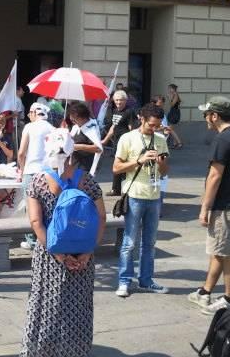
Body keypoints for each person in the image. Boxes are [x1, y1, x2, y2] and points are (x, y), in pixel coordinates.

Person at [20, 129, 106, 357]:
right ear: (72, 152)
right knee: (78, 307)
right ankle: (75, 352)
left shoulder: (38, 181)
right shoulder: (87, 180)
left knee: (46, 306)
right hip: (83, 253)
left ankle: (41, 353)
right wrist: (88, 252)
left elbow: (36, 222)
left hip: (49, 256)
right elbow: (101, 217)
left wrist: (57, 253)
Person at [189, 96, 230, 315]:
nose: (205, 118)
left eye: (206, 114)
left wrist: (204, 208)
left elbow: (215, 176)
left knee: (227, 253)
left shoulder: (223, 139)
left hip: (225, 205)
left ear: (214, 116)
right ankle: (205, 292)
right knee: (219, 249)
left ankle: (229, 300)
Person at [114, 103, 170, 297]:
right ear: (141, 119)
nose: (154, 128)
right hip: (134, 195)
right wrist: (139, 160)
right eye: (151, 125)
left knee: (149, 243)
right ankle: (124, 281)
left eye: (157, 125)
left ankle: (146, 280)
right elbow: (116, 168)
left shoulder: (160, 139)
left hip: (154, 196)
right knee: (129, 242)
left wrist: (160, 163)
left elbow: (164, 172)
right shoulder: (127, 138)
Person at [17, 102, 55, 249]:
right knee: (47, 205)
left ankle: (32, 239)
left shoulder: (29, 127)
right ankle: (46, 237)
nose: (29, 116)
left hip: (31, 170)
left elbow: (21, 153)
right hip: (48, 172)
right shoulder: (52, 128)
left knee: (30, 206)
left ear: (33, 113)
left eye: (29, 114)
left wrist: (21, 170)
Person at [102, 90, 137, 196]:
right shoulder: (115, 111)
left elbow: (132, 129)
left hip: (126, 144)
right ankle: (116, 189)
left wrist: (133, 144)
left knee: (123, 167)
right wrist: (105, 140)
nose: (118, 102)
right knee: (117, 166)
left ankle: (124, 189)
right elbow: (113, 127)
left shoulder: (129, 112)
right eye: (116, 100)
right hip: (117, 142)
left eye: (121, 100)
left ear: (125, 100)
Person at [67, 101, 102, 172]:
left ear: (83, 118)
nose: (73, 122)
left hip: (85, 165)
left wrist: (78, 146)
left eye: (74, 120)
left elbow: (98, 148)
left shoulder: (91, 128)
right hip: (75, 162)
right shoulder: (76, 126)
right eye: (72, 120)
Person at [166, 84, 184, 149]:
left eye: (169, 88)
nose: (168, 90)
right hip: (174, 112)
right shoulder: (175, 95)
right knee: (171, 129)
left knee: (170, 129)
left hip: (174, 113)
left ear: (173, 89)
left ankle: (179, 143)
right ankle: (175, 143)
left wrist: (169, 98)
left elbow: (172, 104)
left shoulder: (175, 95)